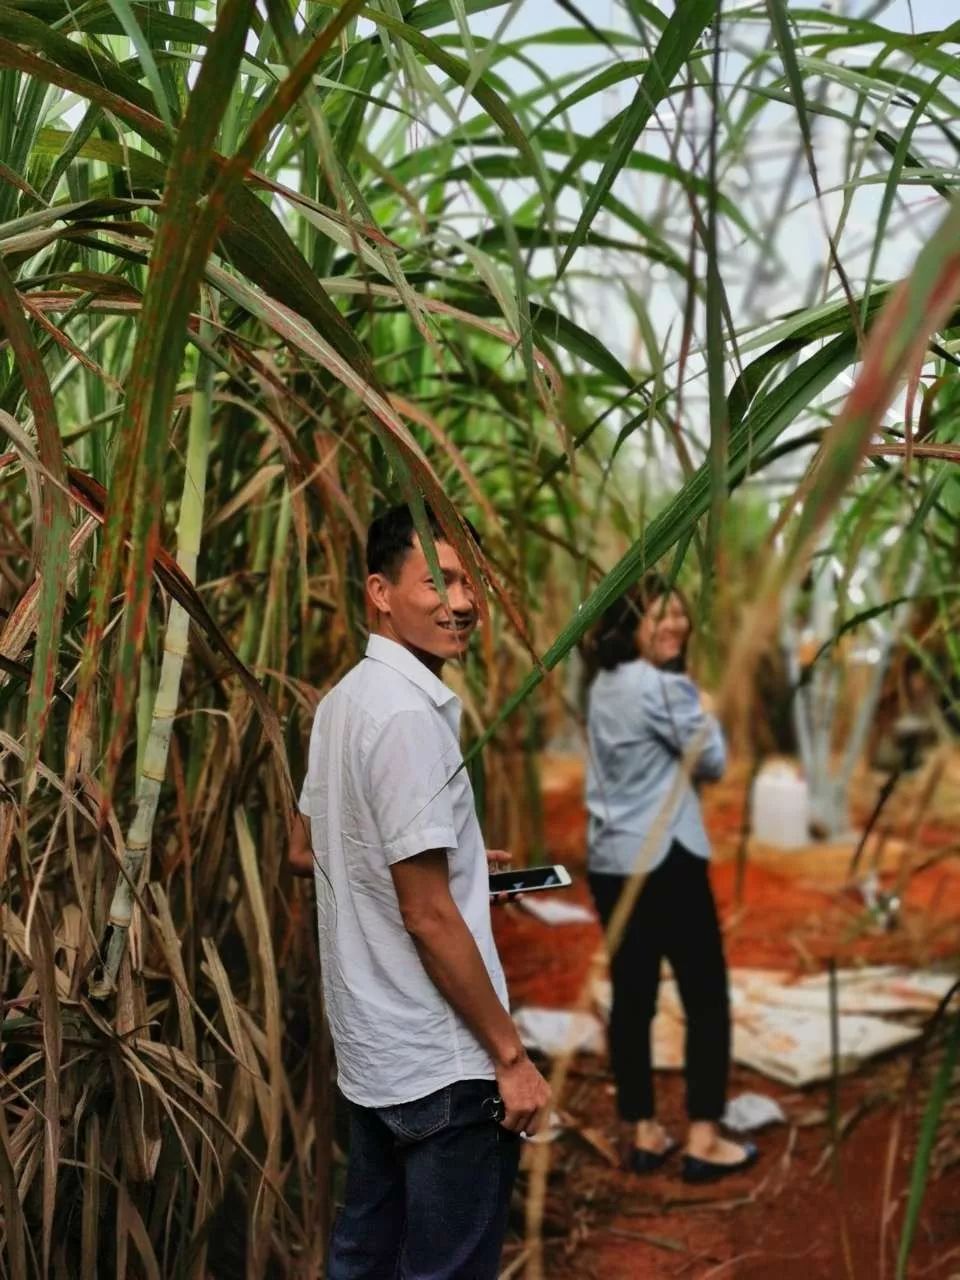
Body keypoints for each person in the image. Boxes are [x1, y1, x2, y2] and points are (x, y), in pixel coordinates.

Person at [290, 502, 550, 1279]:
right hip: (442, 1064)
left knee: (362, 1261)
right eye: (439, 581)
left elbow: (306, 850)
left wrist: (461, 861)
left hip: (374, 1059)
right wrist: (510, 1058)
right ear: (379, 590)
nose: (464, 603)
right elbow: (425, 913)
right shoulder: (407, 716)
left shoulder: (342, 703)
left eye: (469, 582)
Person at [583, 574, 758, 1184]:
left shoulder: (602, 685)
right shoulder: (664, 687)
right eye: (662, 617)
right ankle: (704, 1139)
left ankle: (644, 1130)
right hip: (667, 863)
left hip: (610, 862)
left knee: (633, 1000)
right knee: (705, 998)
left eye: (680, 615)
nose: (677, 625)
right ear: (632, 626)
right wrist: (705, 709)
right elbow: (712, 762)